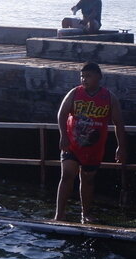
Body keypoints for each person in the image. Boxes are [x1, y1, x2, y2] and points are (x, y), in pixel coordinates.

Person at [54, 62, 127, 223]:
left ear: (98, 77)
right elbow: (62, 114)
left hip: (93, 147)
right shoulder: (75, 93)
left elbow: (119, 123)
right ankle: (60, 214)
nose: (84, 79)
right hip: (72, 143)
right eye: (82, 76)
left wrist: (121, 146)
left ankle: (85, 213)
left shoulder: (108, 97)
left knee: (87, 180)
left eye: (88, 76)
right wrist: (63, 136)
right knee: (67, 175)